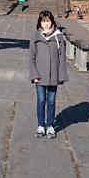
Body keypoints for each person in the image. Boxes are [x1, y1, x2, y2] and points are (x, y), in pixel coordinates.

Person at [29, 10, 68, 139]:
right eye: (43, 21)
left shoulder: (59, 37)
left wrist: (61, 76)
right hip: (39, 75)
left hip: (53, 75)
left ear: (52, 21)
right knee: (41, 100)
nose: (46, 24)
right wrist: (34, 74)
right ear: (40, 22)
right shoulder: (36, 36)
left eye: (48, 21)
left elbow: (62, 58)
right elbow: (32, 57)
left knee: (51, 101)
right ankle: (41, 125)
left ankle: (50, 125)